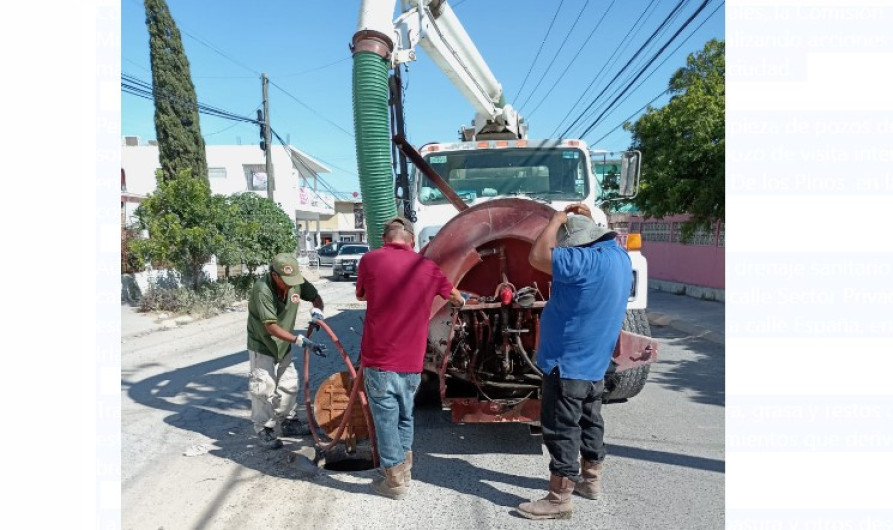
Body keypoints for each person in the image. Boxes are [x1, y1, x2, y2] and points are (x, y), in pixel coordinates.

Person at [518, 203, 632, 520]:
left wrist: (555, 220)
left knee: (561, 428)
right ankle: (591, 481)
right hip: (596, 361)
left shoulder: (581, 260)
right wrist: (584, 219)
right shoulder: (618, 257)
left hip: (567, 362)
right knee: (590, 420)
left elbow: (538, 256)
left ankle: (558, 498)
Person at [356, 217, 464, 499]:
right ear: (413, 242)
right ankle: (405, 469)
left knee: (386, 420)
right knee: (405, 415)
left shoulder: (370, 260)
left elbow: (362, 295)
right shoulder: (427, 267)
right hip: (412, 360)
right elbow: (455, 296)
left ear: (384, 239)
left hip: (379, 358)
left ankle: (393, 481)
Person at [246, 253, 326, 450]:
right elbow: (271, 327)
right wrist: (299, 339)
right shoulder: (262, 289)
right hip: (263, 344)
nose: (291, 285)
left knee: (289, 384)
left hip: (284, 344)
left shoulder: (295, 282)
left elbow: (315, 297)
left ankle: (288, 421)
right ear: (275, 276)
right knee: (264, 387)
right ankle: (264, 428)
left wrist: (317, 312)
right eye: (286, 281)